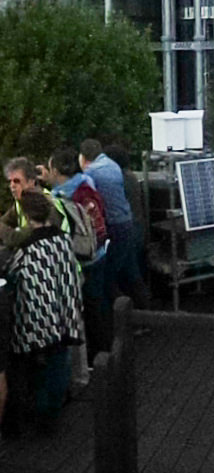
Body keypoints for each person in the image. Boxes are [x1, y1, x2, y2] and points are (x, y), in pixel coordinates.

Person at [1, 178, 73, 438]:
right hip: (60, 314)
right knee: (56, 364)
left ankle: (26, 420)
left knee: (25, 369)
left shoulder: (27, 248)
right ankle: (51, 415)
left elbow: (12, 275)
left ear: (28, 215)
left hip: (31, 319)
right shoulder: (62, 240)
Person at [73, 136, 133, 353]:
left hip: (113, 229)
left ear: (83, 157)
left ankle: (118, 327)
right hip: (126, 223)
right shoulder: (112, 165)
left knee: (106, 281)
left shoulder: (91, 174)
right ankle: (126, 321)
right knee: (120, 274)